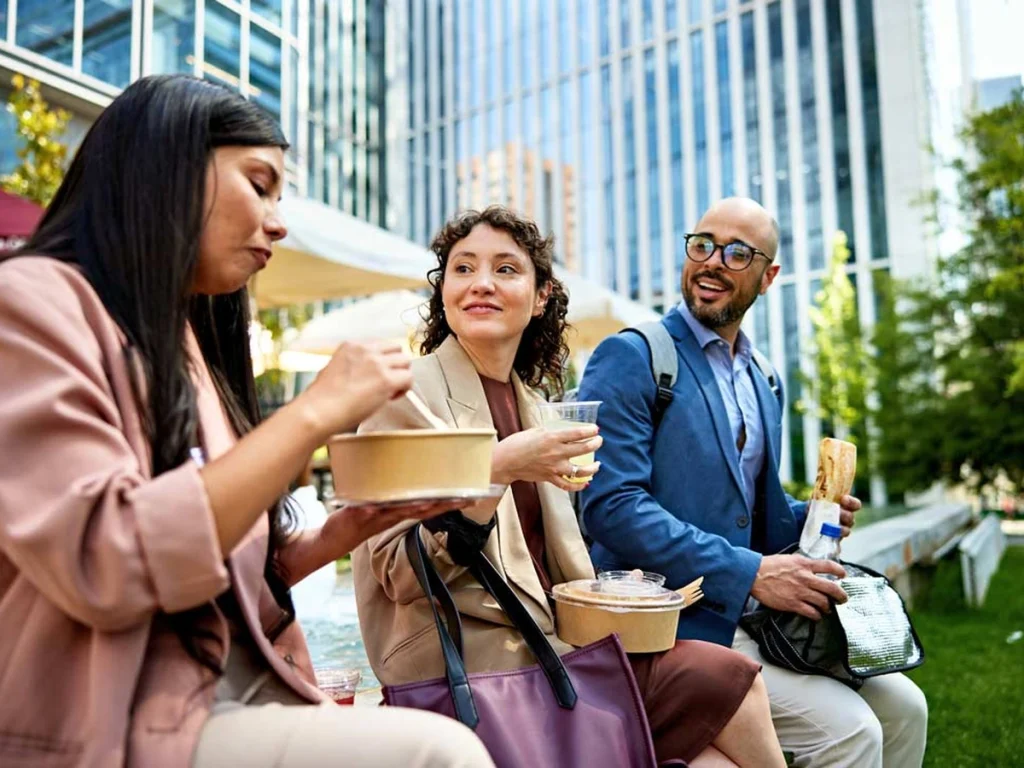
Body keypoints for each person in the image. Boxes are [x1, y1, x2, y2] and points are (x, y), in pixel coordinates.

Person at [0, 75, 494, 768]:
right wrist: (314, 412)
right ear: (166, 168)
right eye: (259, 185)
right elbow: (110, 561)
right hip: (106, 716)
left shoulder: (182, 341)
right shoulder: (27, 302)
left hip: (227, 688)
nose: (279, 221)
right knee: (438, 753)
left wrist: (344, 531)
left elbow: (216, 573)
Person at [352, 205, 787, 768]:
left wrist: (621, 592)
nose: (481, 283)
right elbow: (399, 574)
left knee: (719, 751)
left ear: (540, 298)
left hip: (558, 651)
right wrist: (497, 466)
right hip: (471, 672)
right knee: (728, 679)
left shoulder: (537, 408)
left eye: (506, 269)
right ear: (443, 292)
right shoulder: (402, 395)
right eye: (463, 269)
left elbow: (549, 568)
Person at [578, 197, 928, 768]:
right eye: (703, 245)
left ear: (769, 277)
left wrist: (812, 514)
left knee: (907, 707)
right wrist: (752, 572)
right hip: (671, 628)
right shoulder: (633, 356)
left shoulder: (764, 376)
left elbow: (747, 512)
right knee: (852, 732)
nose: (713, 261)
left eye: (737, 252)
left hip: (754, 622)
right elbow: (612, 507)